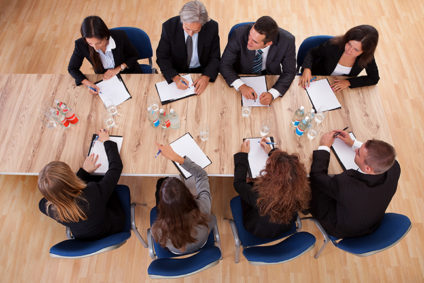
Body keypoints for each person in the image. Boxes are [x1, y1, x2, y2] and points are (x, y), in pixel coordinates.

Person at [309, 130, 400, 238]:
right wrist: (353, 143)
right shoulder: (393, 167)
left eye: (358, 153)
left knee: (312, 186)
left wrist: (324, 146)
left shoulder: (346, 185)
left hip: (339, 227)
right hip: (367, 223)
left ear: (367, 168)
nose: (356, 150)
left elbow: (317, 176)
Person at [38, 129, 125, 240]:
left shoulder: (46, 207)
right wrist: (107, 141)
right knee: (99, 178)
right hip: (111, 227)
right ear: (71, 178)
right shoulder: (92, 194)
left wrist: (84, 172)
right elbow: (116, 168)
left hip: (84, 238)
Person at [233, 138, 311, 238]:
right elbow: (289, 168)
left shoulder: (260, 196)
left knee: (248, 185)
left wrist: (242, 154)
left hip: (257, 229)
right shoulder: (302, 189)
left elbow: (238, 183)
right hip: (285, 226)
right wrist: (273, 152)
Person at [151, 143, 215, 254]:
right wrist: (176, 157)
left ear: (163, 205)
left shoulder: (158, 230)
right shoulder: (203, 207)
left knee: (159, 183)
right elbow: (201, 175)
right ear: (188, 194)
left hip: (177, 250)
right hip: (201, 242)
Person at [220, 16, 296, 105]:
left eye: (255, 41)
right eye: (250, 35)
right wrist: (241, 85)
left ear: (268, 43)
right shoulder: (239, 33)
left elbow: (290, 72)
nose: (248, 42)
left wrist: (273, 93)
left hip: (270, 76)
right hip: (242, 73)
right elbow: (224, 64)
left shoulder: (287, 41)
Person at [156, 0, 220, 95]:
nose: (190, 34)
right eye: (187, 28)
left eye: (196, 30)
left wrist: (206, 76)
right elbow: (162, 57)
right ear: (182, 20)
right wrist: (175, 77)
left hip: (202, 70)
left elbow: (215, 57)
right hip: (177, 70)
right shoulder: (169, 27)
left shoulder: (212, 27)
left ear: (203, 24)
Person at [68, 16, 141, 94]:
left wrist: (119, 68)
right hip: (106, 81)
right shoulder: (80, 45)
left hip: (129, 74)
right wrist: (88, 84)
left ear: (106, 36)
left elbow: (134, 56)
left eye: (99, 43)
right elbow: (72, 68)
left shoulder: (120, 36)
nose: (95, 47)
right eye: (90, 43)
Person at [299, 25, 380, 92]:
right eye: (349, 44)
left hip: (338, 89)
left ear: (365, 52)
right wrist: (307, 68)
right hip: (316, 79)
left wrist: (349, 82)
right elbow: (312, 53)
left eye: (356, 49)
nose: (349, 50)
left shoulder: (367, 58)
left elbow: (374, 78)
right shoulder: (333, 45)